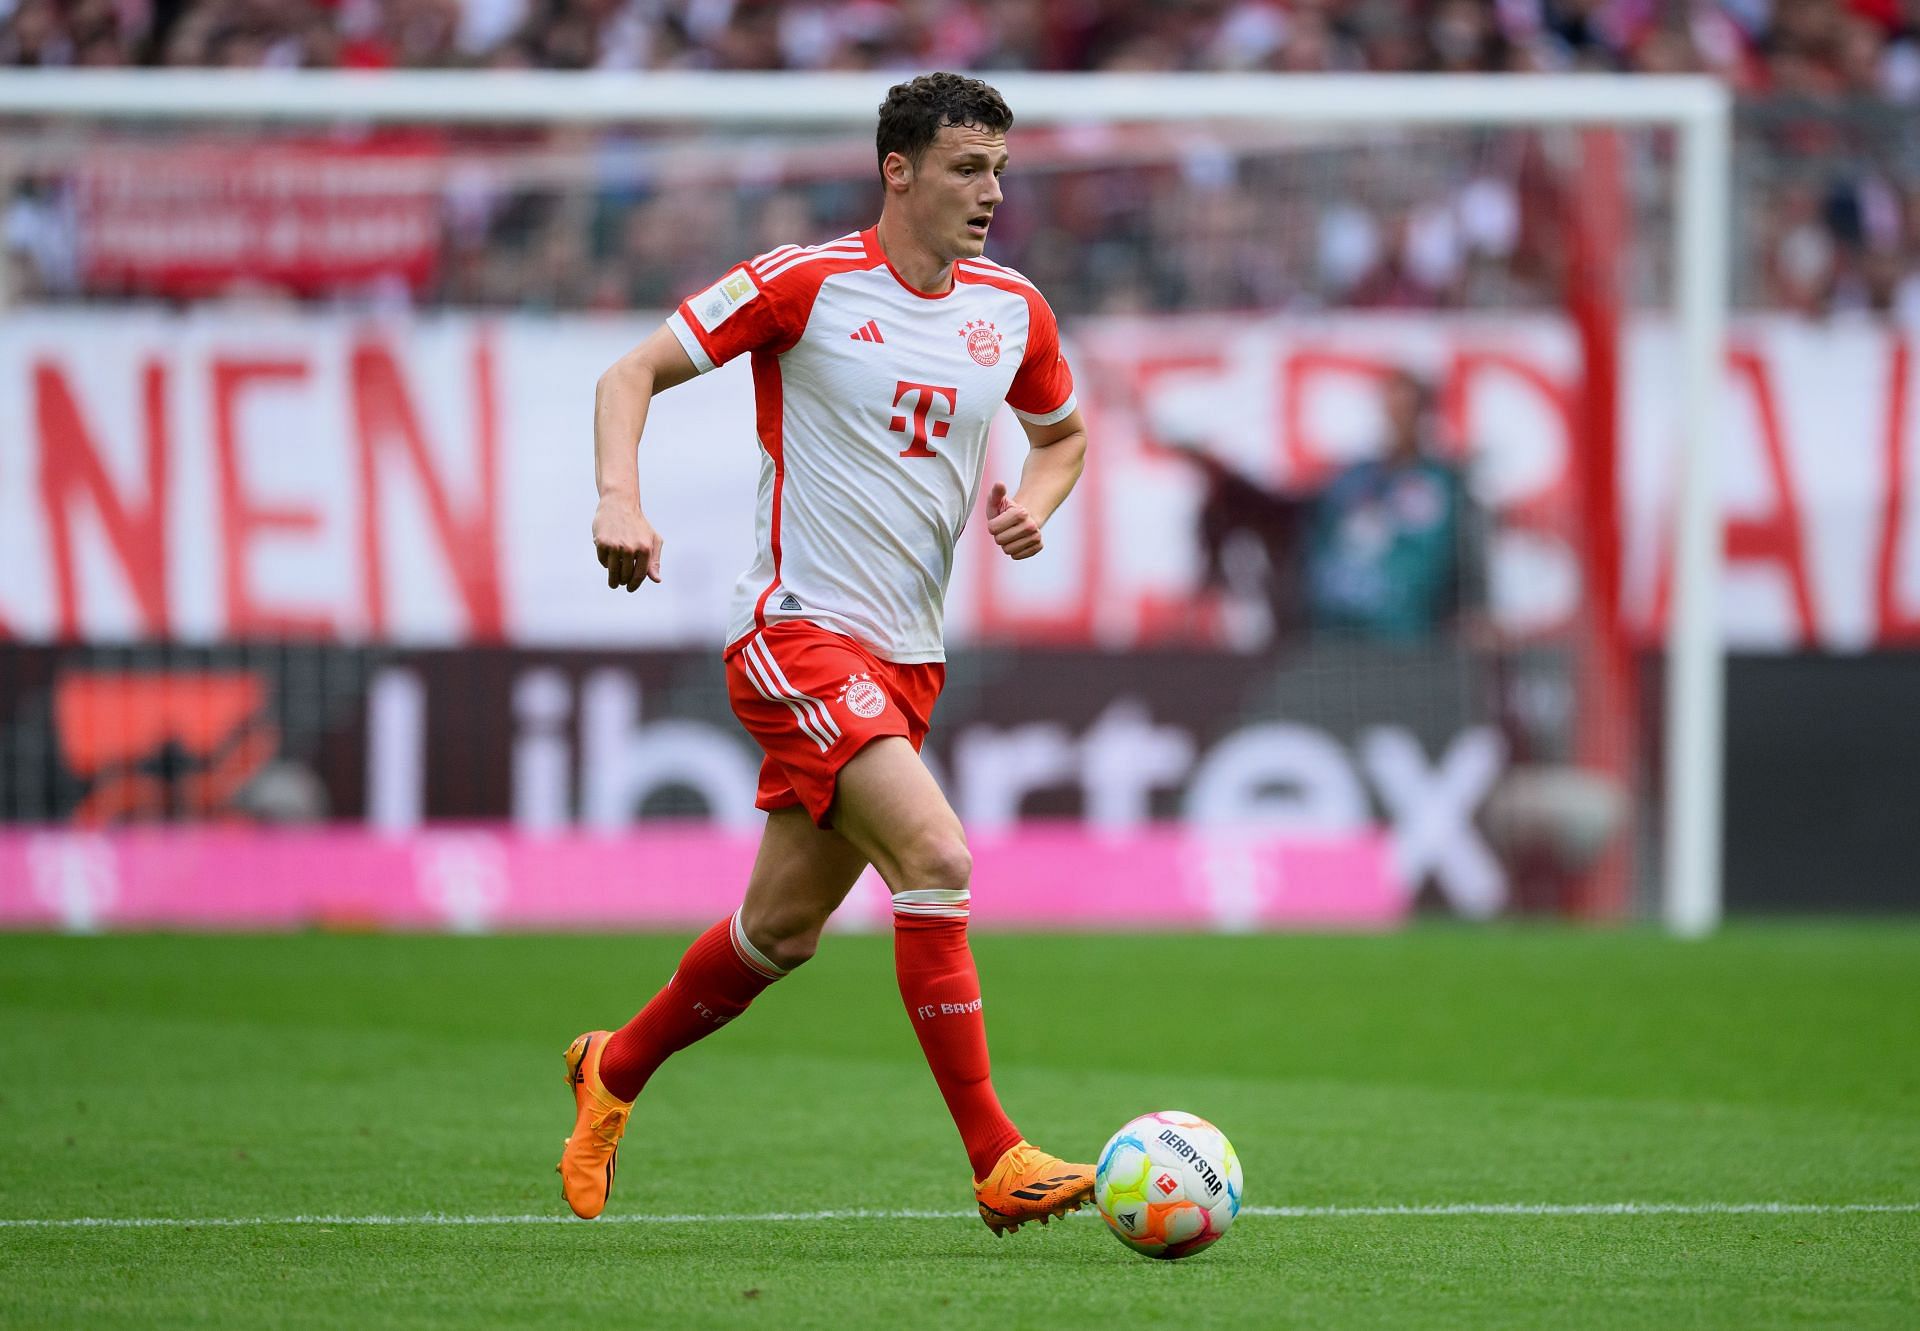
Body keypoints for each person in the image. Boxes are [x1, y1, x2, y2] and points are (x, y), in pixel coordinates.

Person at [563, 72, 1093, 1234]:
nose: (991, 190)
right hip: (792, 630)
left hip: (909, 659)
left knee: (780, 931)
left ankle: (614, 1068)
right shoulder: (807, 282)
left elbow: (1063, 435)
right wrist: (620, 500)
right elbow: (628, 373)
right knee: (937, 851)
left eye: (1001, 168)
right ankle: (997, 1155)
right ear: (896, 170)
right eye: (967, 167)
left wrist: (1039, 503)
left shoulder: (1011, 309)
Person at [1307, 370, 1479, 641]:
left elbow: (1460, 556)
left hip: (1413, 633)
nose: (1400, 418)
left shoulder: (1442, 482)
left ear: (1425, 412)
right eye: (1394, 407)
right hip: (1343, 630)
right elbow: (1321, 545)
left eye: (1409, 408)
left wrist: (1471, 610)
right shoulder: (1351, 479)